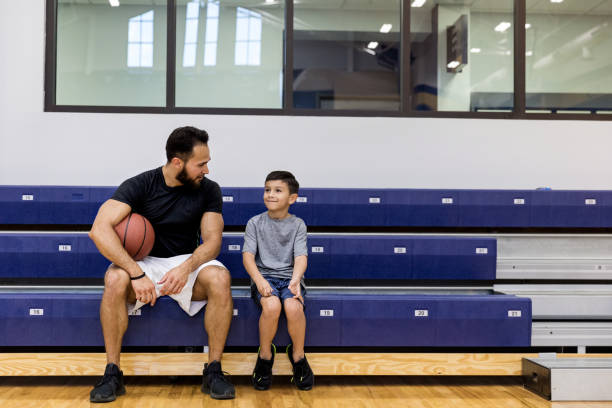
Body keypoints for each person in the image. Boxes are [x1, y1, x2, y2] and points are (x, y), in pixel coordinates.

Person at [88, 126, 235, 402]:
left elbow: (213, 242)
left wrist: (187, 267)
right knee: (114, 279)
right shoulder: (141, 185)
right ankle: (112, 373)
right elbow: (99, 229)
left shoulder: (208, 190)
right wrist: (135, 272)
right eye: (201, 164)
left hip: (185, 261)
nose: (206, 170)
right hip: (144, 263)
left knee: (219, 278)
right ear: (177, 162)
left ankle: (213, 370)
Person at [242, 170, 314, 391]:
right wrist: (260, 280)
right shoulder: (254, 223)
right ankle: (265, 357)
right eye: (267, 190)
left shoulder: (298, 224)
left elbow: (301, 257)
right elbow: (247, 257)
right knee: (272, 306)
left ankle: (298, 357)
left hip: (289, 278)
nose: (270, 195)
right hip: (265, 278)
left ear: (292, 198)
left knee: (293, 308)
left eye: (277, 191)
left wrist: (295, 281)